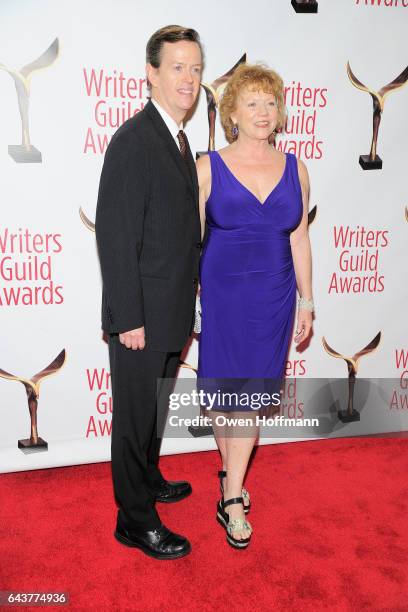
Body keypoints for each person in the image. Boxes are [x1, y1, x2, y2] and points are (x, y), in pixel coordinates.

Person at [95, 25, 203, 560]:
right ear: (152, 73)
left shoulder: (179, 139)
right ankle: (134, 520)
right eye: (177, 67)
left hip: (170, 310)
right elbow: (116, 236)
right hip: (141, 315)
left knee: (153, 412)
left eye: (196, 68)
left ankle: (149, 477)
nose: (189, 79)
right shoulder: (134, 140)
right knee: (135, 416)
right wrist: (128, 317)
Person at [196, 63, 313, 549]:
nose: (263, 112)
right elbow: (190, 241)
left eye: (270, 102)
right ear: (233, 114)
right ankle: (231, 476)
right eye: (252, 103)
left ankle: (233, 495)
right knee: (225, 394)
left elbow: (301, 238)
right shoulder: (207, 167)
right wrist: (190, 300)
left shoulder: (296, 168)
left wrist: (308, 299)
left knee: (248, 398)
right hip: (222, 294)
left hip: (274, 297)